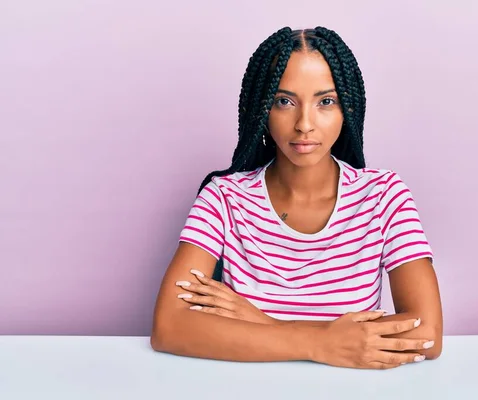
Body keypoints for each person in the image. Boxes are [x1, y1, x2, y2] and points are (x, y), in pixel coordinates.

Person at [151, 26, 443, 370]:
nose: (304, 124)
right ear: (261, 109)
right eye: (284, 101)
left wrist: (262, 323)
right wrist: (320, 342)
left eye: (326, 101)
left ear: (347, 109)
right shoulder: (224, 198)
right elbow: (168, 326)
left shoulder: (383, 197)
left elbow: (427, 334)